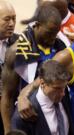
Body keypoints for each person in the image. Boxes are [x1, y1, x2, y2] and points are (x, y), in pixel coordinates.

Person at [1, 5, 66, 134]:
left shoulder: (61, 45)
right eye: (49, 33)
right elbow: (7, 96)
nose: (53, 38)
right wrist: (8, 131)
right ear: (37, 25)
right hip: (30, 116)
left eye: (55, 33)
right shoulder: (16, 52)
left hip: (59, 112)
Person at [11, 60, 74, 135]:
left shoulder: (63, 94)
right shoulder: (23, 115)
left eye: (64, 87)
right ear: (42, 83)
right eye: (57, 88)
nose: (62, 93)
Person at [0, 1, 19, 135]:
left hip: (13, 108)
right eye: (7, 19)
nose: (12, 23)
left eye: (14, 18)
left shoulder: (21, 42)